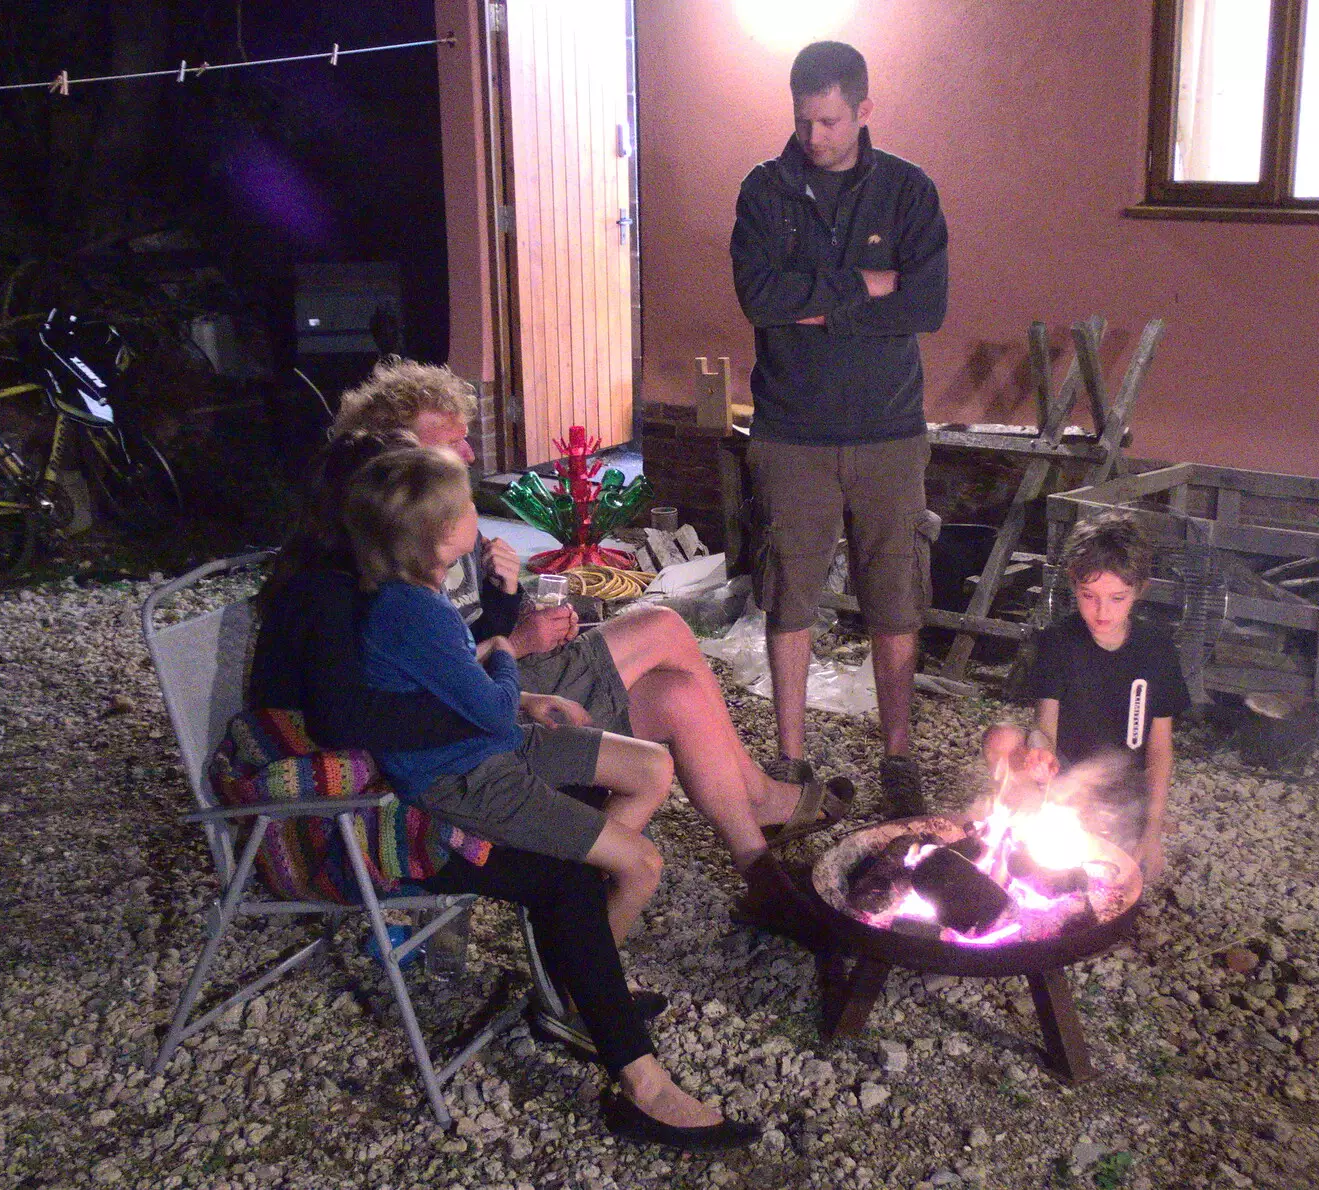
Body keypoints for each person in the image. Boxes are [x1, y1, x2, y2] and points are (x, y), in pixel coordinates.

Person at [329, 358, 850, 938]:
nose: (472, 456)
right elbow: (438, 664)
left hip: (504, 675)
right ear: (402, 454)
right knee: (661, 626)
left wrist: (508, 598)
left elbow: (471, 626)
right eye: (452, 443)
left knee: (676, 695)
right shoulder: (394, 549)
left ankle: (754, 866)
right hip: (492, 705)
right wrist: (515, 641)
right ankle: (753, 798)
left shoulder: (432, 529)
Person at [343, 444, 759, 1149]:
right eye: (467, 507)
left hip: (495, 743)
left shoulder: (422, 598)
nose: (478, 517)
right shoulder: (408, 612)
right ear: (439, 531)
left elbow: (470, 684)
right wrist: (508, 654)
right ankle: (584, 1005)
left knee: (651, 769)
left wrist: (522, 690)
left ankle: (571, 968)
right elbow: (485, 697)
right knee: (642, 864)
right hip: (471, 778)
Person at [729, 40, 949, 817]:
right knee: (790, 596)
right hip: (790, 433)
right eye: (802, 120)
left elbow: (924, 305)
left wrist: (814, 302)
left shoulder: (908, 193)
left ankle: (898, 756)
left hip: (890, 431)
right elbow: (758, 297)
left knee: (895, 595)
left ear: (863, 109)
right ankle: (789, 760)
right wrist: (863, 285)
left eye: (828, 121)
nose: (814, 136)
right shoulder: (764, 193)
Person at [982, 513, 1190, 884]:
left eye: (1116, 598)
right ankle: (1024, 828)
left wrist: (1154, 828)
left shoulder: (1157, 650)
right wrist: (1038, 751)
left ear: (1138, 590)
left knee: (1120, 873)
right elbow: (1044, 727)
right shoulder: (1057, 642)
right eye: (1089, 596)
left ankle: (1117, 828)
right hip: (1063, 776)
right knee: (1002, 738)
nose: (1102, 611)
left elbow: (1160, 749)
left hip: (1120, 787)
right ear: (1073, 585)